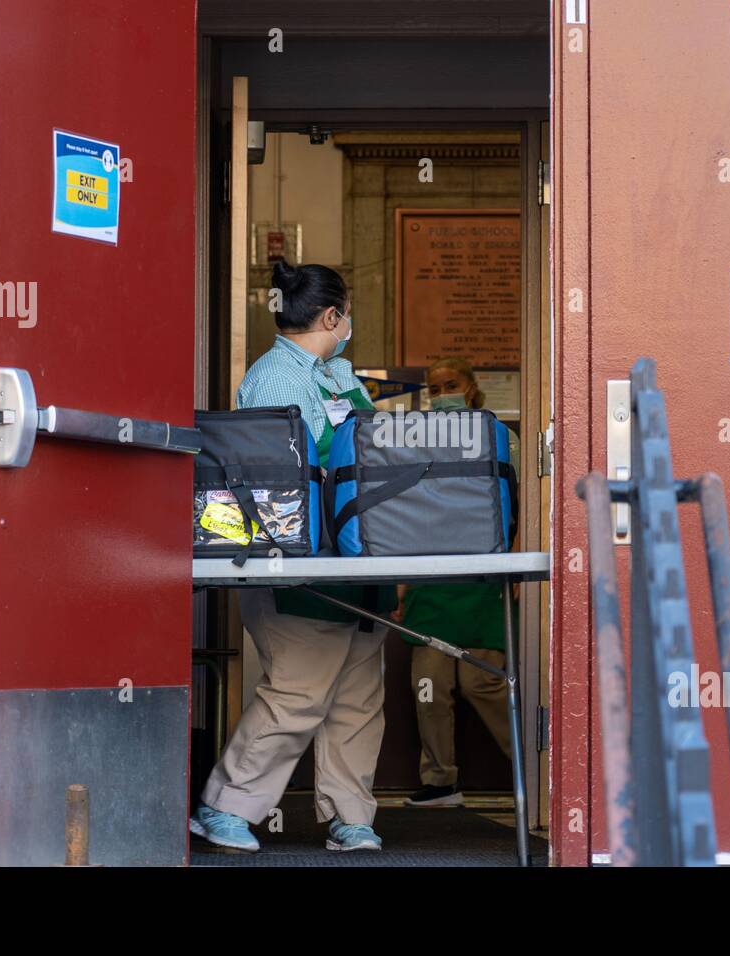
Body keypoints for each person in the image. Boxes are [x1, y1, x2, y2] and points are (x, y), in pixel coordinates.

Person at [190, 260, 395, 853]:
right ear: (332, 315)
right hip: (298, 562)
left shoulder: (336, 373)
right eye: (346, 313)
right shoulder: (279, 380)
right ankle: (226, 806)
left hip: (355, 557)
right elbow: (282, 485)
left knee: (358, 696)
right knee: (299, 691)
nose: (347, 322)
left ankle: (350, 816)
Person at [394, 357, 516, 808]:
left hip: (483, 578)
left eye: (451, 384)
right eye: (435, 387)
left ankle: (536, 768)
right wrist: (401, 589)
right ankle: (441, 781)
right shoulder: (417, 442)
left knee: (482, 683)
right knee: (428, 687)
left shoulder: (501, 439)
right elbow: (405, 517)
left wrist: (516, 570)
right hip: (431, 578)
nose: (443, 392)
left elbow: (520, 503)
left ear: (471, 387)